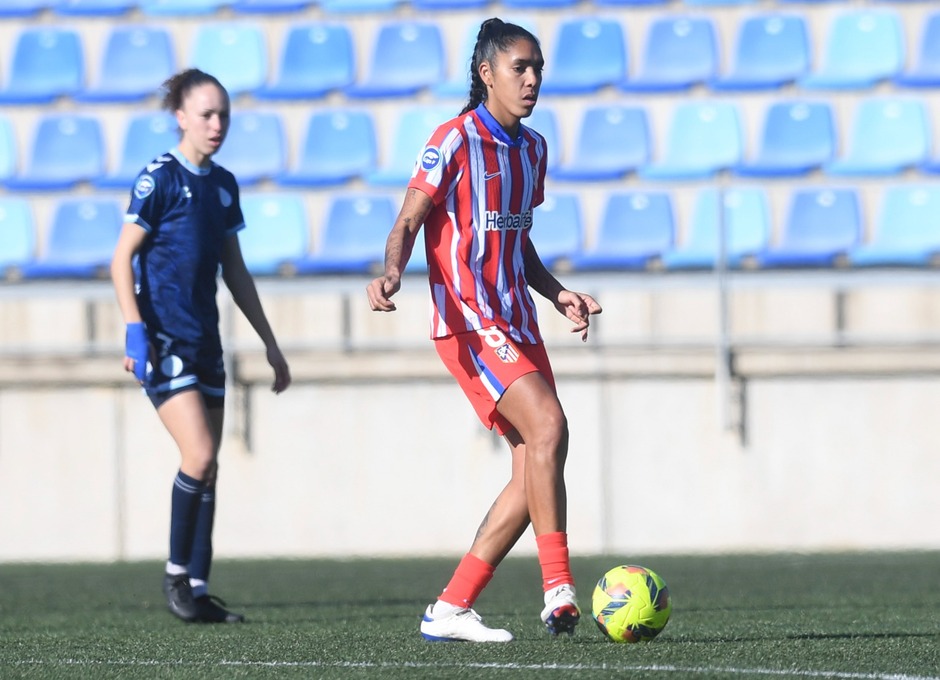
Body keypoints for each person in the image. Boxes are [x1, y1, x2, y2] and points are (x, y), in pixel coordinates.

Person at [366, 18, 602, 642]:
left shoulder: (532, 150)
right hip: (469, 323)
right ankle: (558, 591)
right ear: (485, 72)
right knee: (550, 427)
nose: (531, 80)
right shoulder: (454, 140)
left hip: (518, 322)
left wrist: (557, 294)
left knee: (536, 464)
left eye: (538, 69)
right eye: (519, 67)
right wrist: (391, 272)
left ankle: (451, 607)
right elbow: (409, 219)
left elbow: (516, 240)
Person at [110, 69, 291, 624]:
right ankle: (175, 580)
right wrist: (136, 329)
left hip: (206, 340)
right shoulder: (159, 178)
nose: (217, 124)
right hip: (165, 339)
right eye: (207, 114)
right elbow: (121, 259)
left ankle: (197, 584)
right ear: (181, 117)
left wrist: (269, 343)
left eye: (224, 115)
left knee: (209, 468)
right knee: (201, 455)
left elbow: (234, 270)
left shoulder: (223, 184)